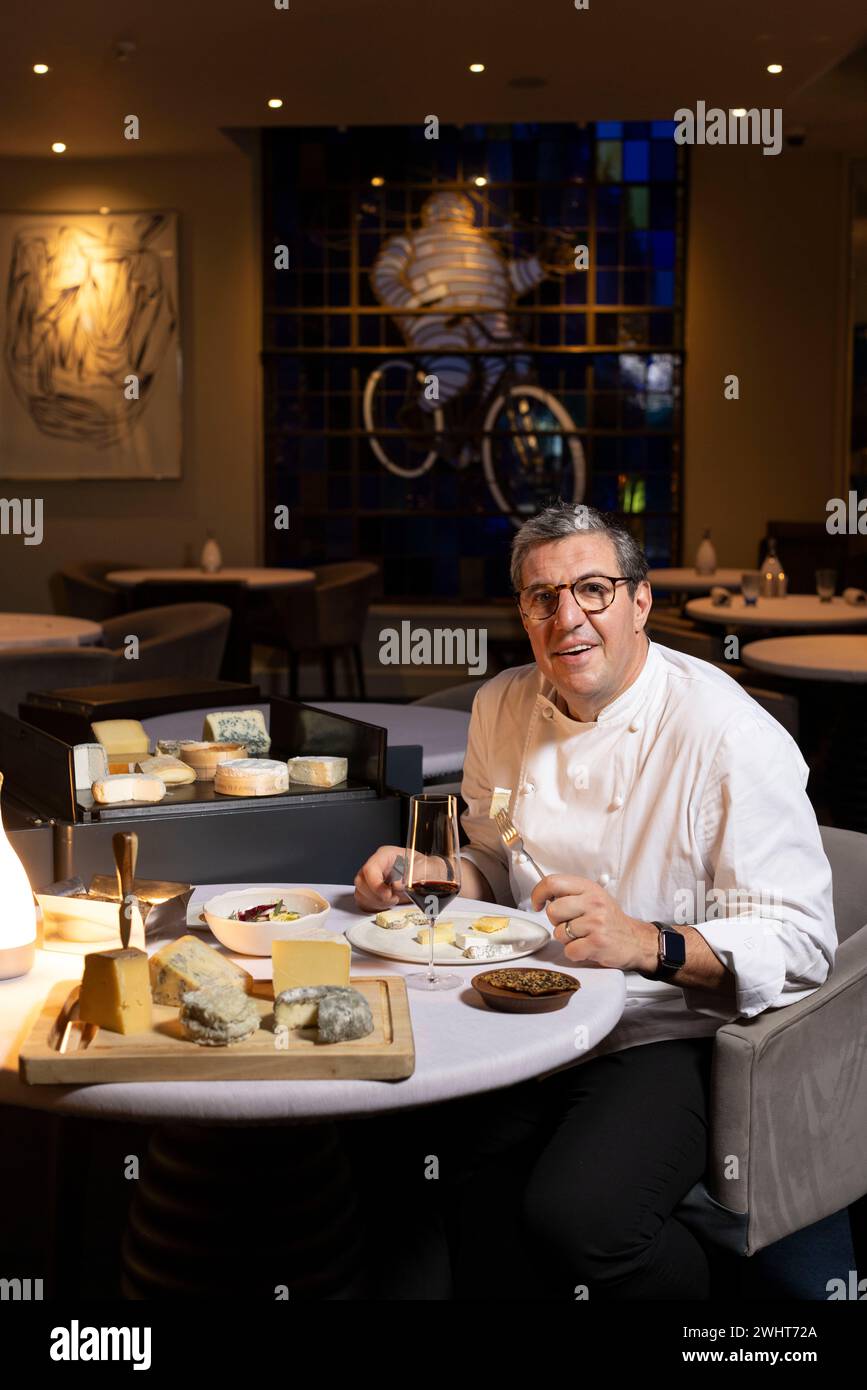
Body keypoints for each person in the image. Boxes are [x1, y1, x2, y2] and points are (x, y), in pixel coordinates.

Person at [354, 500, 836, 1300]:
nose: (566, 617)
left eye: (592, 590)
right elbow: (488, 854)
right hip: (521, 1003)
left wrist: (647, 941)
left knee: (582, 1222)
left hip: (660, 1028)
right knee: (420, 1166)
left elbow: (799, 943)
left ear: (638, 601)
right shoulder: (499, 707)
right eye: (542, 597)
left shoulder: (725, 733)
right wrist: (436, 877)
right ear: (523, 611)